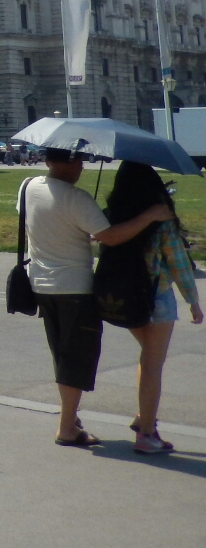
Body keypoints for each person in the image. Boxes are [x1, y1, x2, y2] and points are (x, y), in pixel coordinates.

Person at [20, 147, 172, 448]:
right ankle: (67, 428)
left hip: (41, 283)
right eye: (75, 161)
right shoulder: (77, 199)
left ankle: (70, 416)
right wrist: (151, 215)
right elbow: (110, 236)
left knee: (62, 353)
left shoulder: (29, 186)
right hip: (74, 287)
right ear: (70, 162)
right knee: (76, 358)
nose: (78, 167)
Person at [101, 161, 203, 455]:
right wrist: (193, 301)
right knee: (153, 365)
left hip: (121, 296)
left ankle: (144, 416)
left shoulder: (111, 216)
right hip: (156, 297)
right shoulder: (160, 219)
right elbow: (178, 263)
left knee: (147, 359)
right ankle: (147, 433)